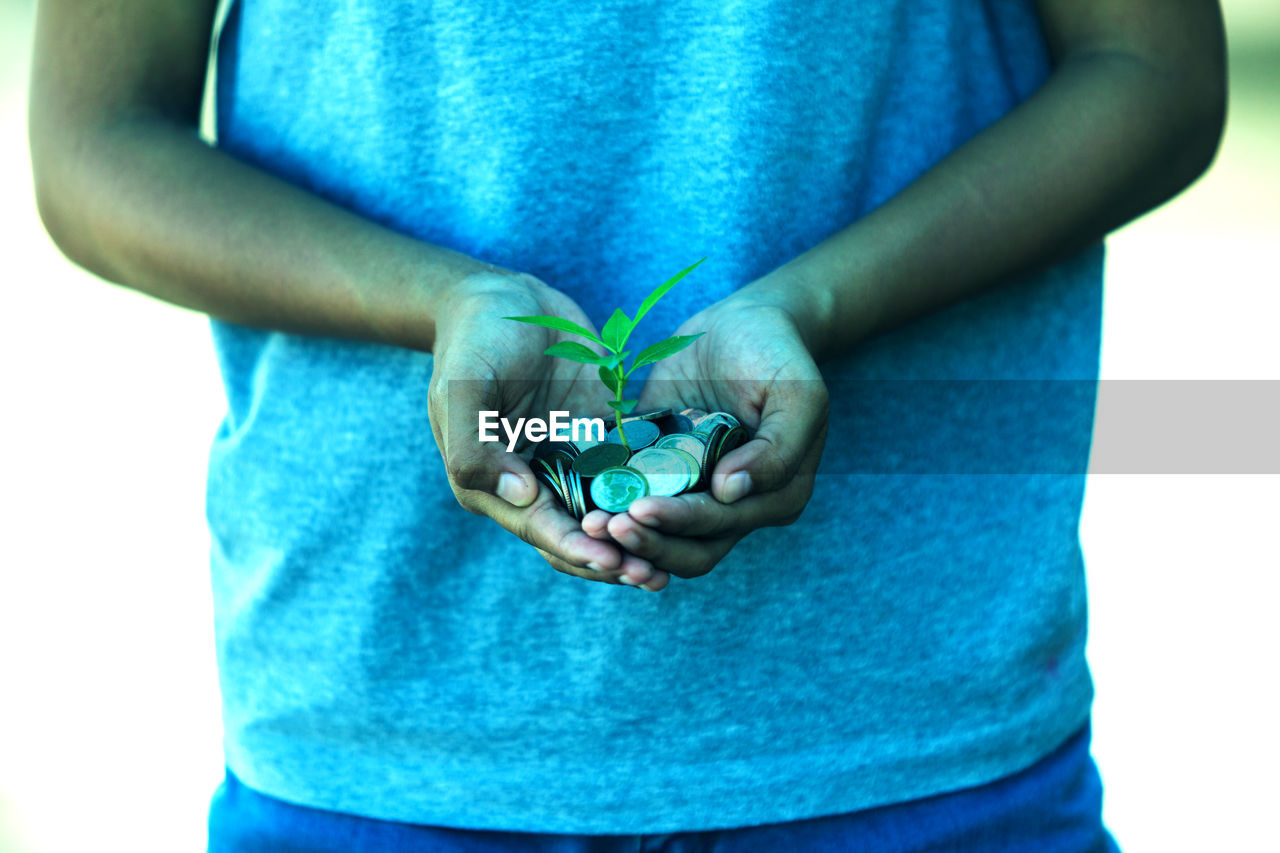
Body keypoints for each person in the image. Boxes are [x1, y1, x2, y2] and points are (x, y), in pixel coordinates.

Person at [29, 0, 1225, 850]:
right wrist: (439, 301)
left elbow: (1153, 68)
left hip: (909, 716)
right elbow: (94, 141)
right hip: (384, 713)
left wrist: (821, 300)